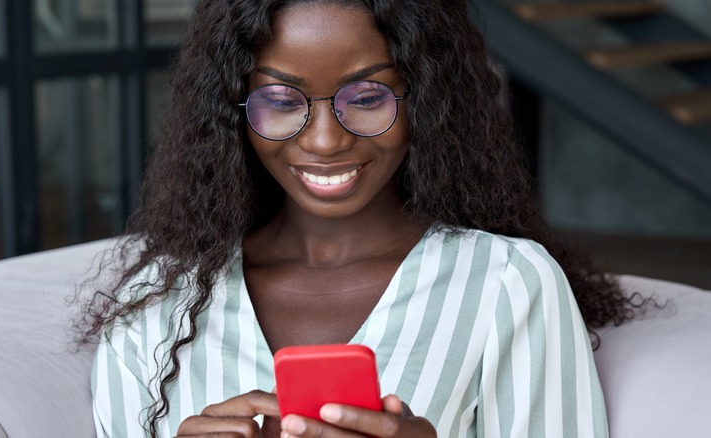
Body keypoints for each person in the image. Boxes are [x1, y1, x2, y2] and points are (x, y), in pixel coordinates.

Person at [81, 0, 647, 436]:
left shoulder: (507, 282)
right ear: (231, 111)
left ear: (424, 98)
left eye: (368, 96)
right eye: (281, 101)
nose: (326, 141)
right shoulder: (158, 305)